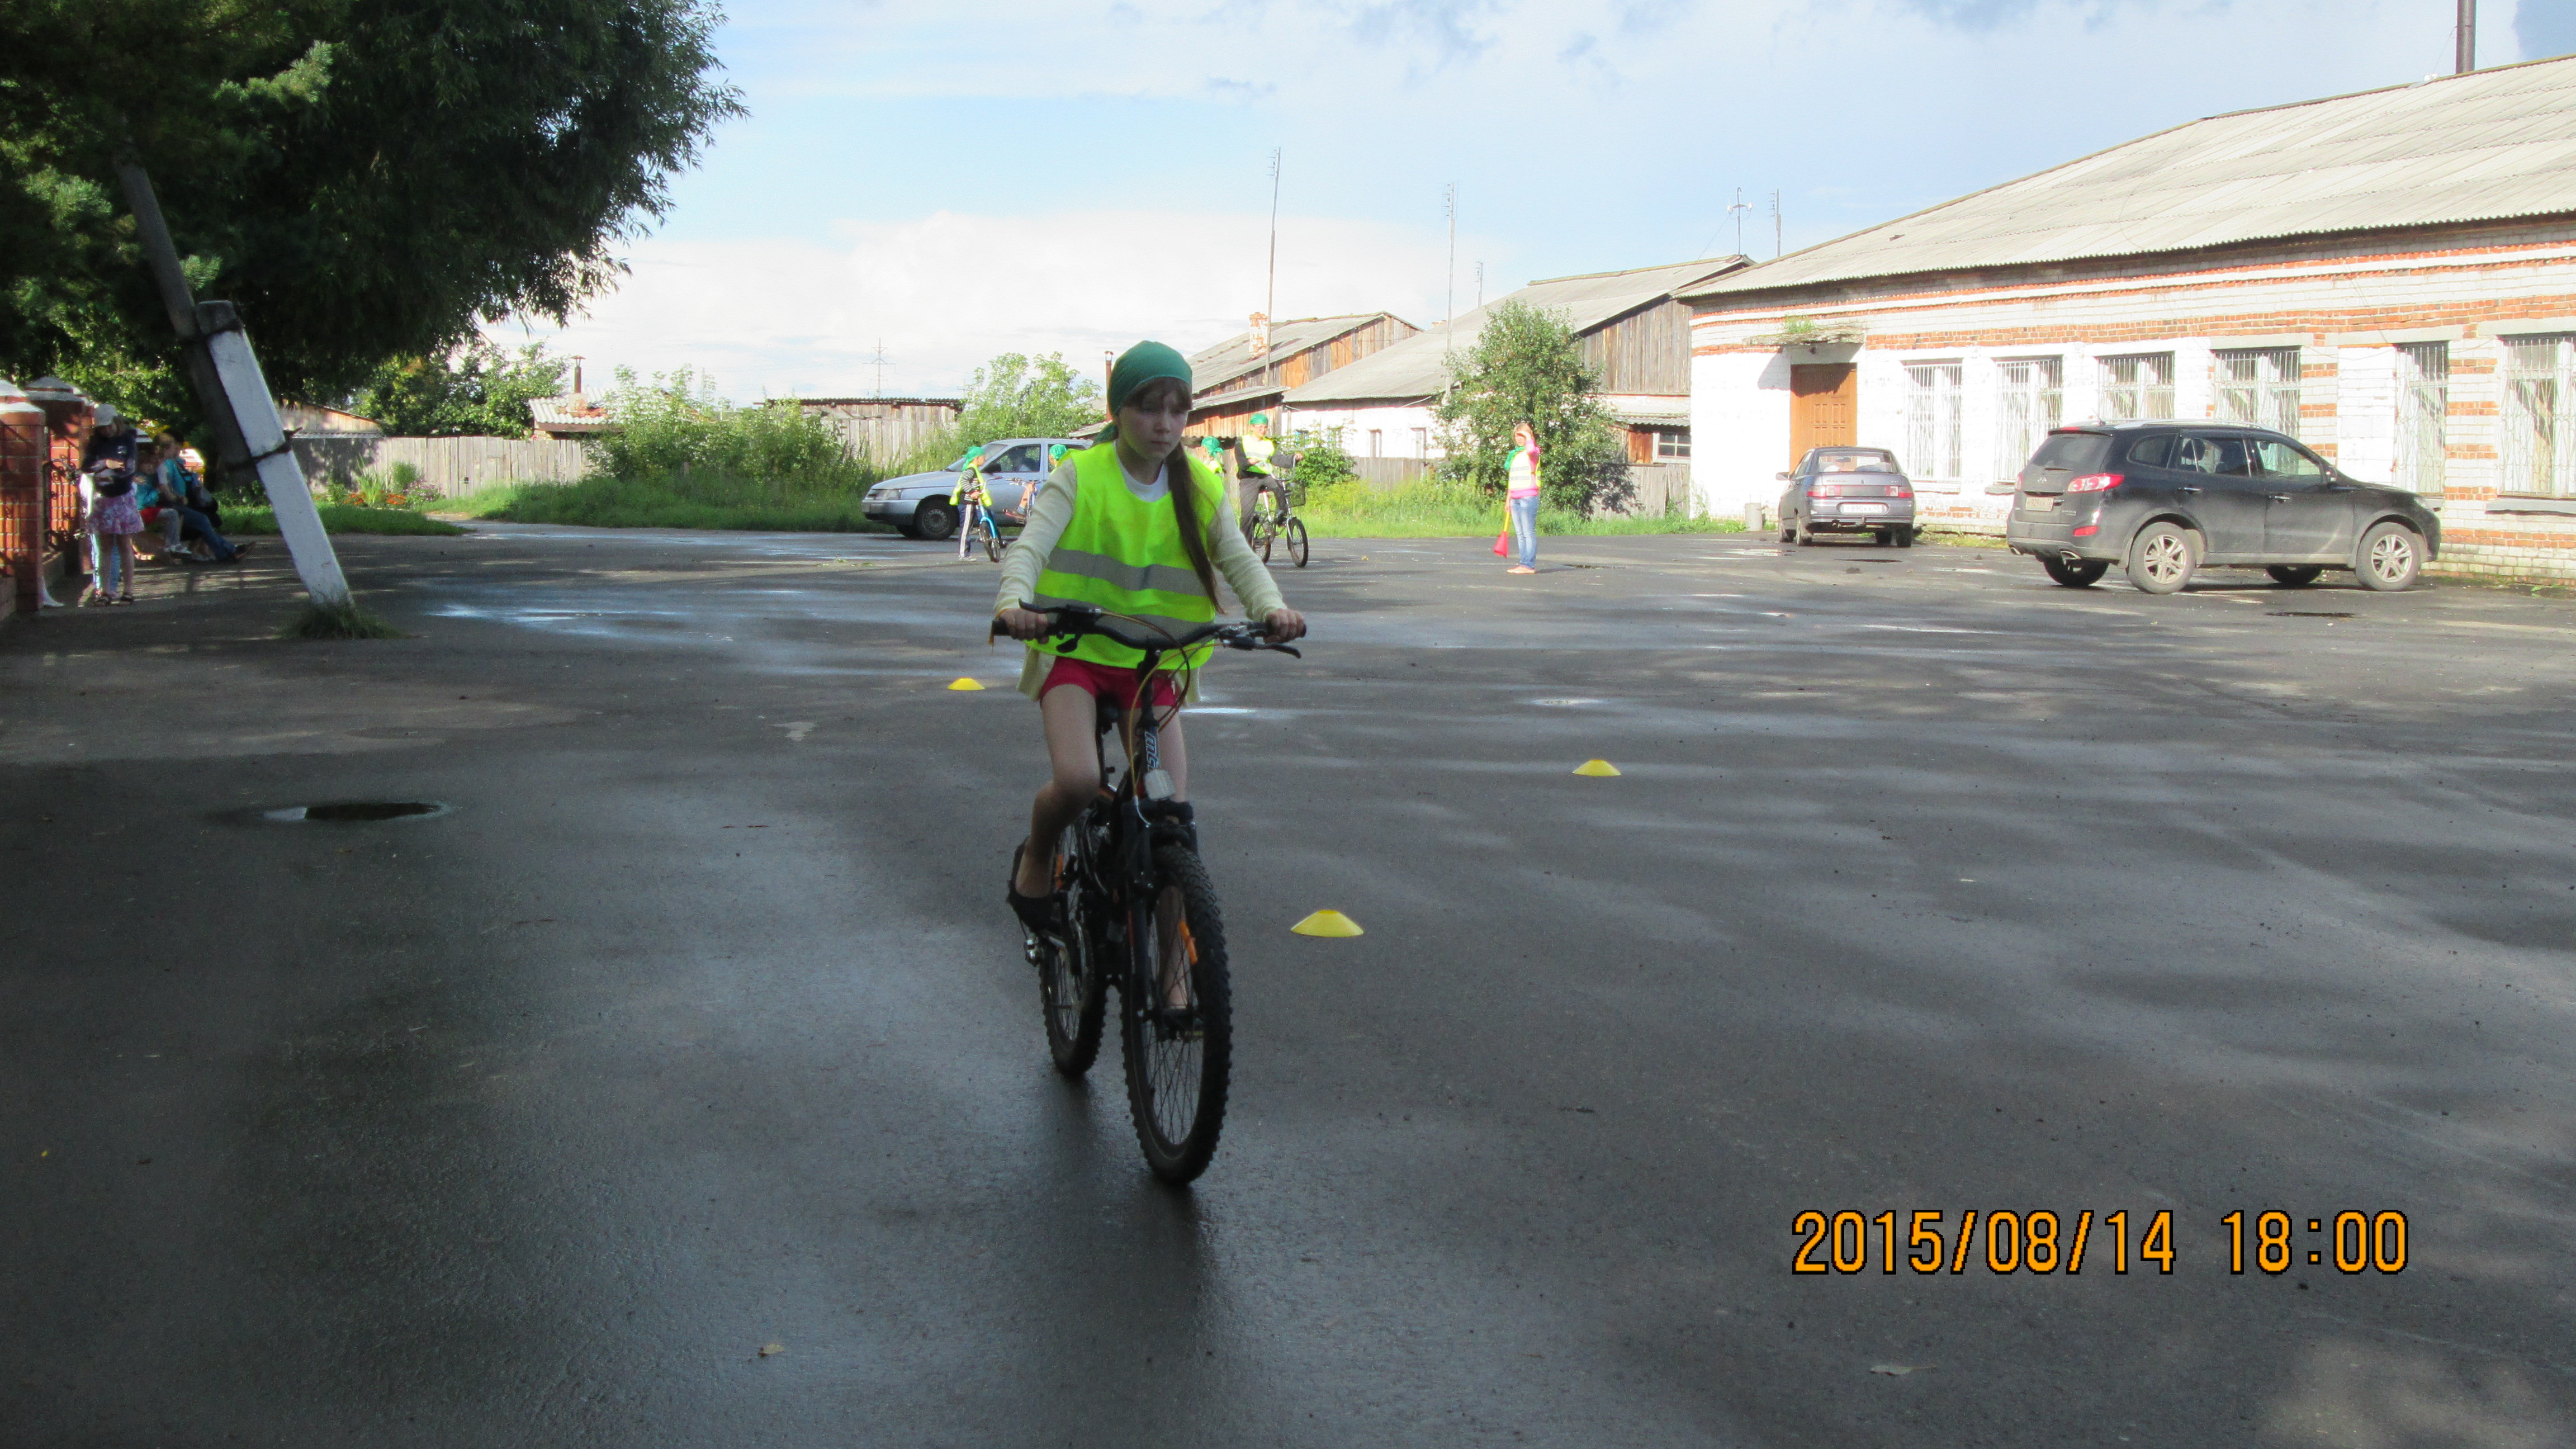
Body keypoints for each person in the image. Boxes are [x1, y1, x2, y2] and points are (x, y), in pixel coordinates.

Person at [995, 342, 1306, 937]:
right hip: (1076, 653)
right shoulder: (1080, 476)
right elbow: (1028, 549)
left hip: (1153, 662)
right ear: (1117, 412)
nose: (1165, 424)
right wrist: (1013, 606)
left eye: (1177, 410)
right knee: (1079, 780)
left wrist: (1272, 609)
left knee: (1170, 820)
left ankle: (1175, 973)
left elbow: (1239, 559)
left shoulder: (1200, 486)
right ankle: (1037, 854)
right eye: (1147, 408)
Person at [141, 432, 244, 564]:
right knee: (202, 519)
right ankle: (227, 552)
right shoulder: (161, 464)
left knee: (204, 518)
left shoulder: (166, 463)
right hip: (161, 504)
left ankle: (227, 552)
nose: (177, 448)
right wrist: (177, 498)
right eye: (174, 446)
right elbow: (163, 488)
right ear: (167, 449)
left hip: (163, 502)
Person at [1504, 420, 1542, 574]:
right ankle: (1523, 563)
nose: (1519, 438)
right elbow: (1512, 479)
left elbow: (1531, 450)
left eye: (1522, 435)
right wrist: (1508, 499)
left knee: (1528, 532)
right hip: (1515, 498)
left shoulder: (1533, 452)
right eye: (1517, 435)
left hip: (1528, 497)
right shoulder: (1515, 455)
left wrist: (1528, 436)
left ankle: (1528, 565)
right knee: (1520, 534)